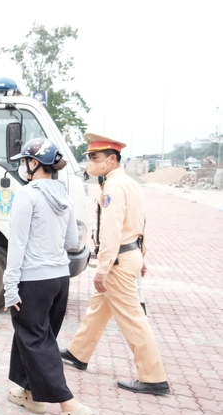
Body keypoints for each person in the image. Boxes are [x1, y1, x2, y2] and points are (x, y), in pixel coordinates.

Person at [60, 133, 170, 395]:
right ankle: (78, 353)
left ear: (111, 160)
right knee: (98, 309)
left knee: (133, 319)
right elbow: (140, 223)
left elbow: (111, 230)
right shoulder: (129, 183)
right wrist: (141, 256)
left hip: (118, 260)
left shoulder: (113, 187)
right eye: (89, 158)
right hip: (128, 255)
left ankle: (153, 377)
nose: (91, 162)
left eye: (95, 158)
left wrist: (103, 268)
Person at [4, 138, 94, 415]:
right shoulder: (63, 194)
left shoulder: (27, 195)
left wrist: (9, 286)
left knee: (33, 337)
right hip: (60, 278)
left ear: (34, 164)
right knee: (38, 335)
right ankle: (31, 394)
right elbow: (71, 241)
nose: (22, 166)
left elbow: (16, 245)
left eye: (24, 161)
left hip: (33, 279)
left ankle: (70, 407)